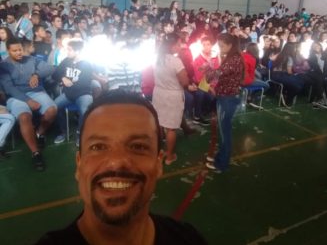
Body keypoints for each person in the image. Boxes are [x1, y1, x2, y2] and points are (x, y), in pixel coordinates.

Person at [34, 90, 208, 245]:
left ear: (158, 163)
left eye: (138, 147)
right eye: (98, 147)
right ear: (79, 165)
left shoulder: (189, 239)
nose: (116, 162)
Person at [0, 38, 57, 171]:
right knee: (25, 117)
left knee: (52, 110)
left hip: (35, 92)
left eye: (20, 49)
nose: (19, 53)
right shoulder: (3, 66)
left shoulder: (31, 60)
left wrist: (36, 74)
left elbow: (51, 69)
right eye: (15, 51)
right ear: (8, 51)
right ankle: (36, 153)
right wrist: (28, 100)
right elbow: (9, 88)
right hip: (16, 97)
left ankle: (39, 133)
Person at [205, 34, 244, 172]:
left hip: (228, 99)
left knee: (225, 133)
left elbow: (213, 76)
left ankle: (222, 164)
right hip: (225, 96)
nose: (220, 48)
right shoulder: (231, 57)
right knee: (224, 131)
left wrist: (207, 67)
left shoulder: (234, 60)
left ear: (230, 45)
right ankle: (220, 156)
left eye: (222, 46)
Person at [152, 33, 189, 165]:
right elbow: (184, 81)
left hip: (158, 93)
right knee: (171, 128)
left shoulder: (157, 58)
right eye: (179, 44)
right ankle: (169, 156)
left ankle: (157, 152)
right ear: (172, 46)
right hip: (172, 95)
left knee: (160, 123)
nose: (181, 47)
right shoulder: (175, 61)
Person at [53, 39, 93, 146]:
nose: (67, 52)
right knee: (54, 107)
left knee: (85, 110)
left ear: (78, 51)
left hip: (83, 94)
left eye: (69, 50)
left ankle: (80, 134)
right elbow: (55, 74)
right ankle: (63, 132)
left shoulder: (86, 64)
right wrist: (63, 78)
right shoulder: (66, 61)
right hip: (69, 94)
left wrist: (70, 88)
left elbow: (84, 84)